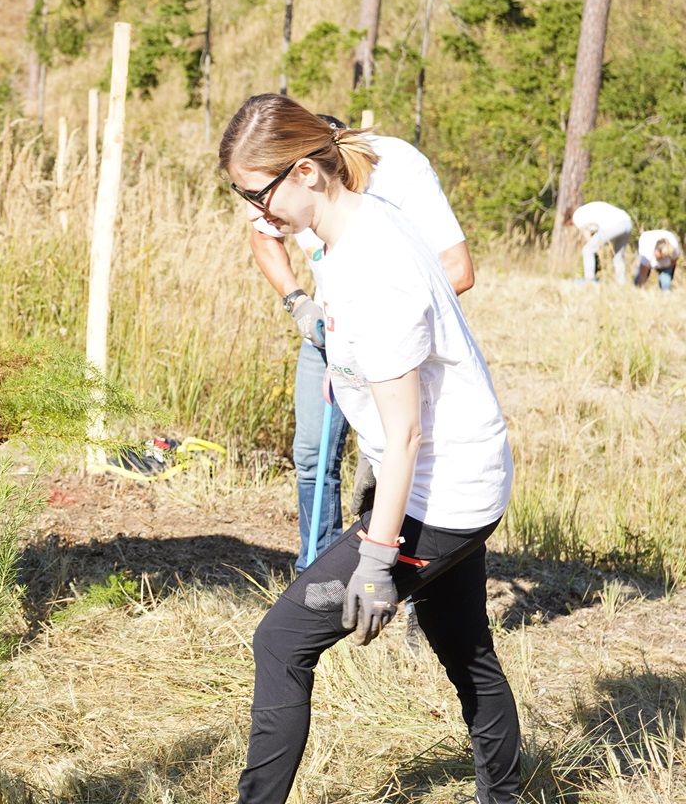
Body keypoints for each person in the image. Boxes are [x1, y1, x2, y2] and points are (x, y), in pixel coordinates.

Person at [220, 95, 519, 804]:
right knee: (466, 649)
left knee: (281, 642)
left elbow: (407, 431)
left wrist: (379, 559)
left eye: (259, 195)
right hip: (461, 476)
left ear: (306, 174)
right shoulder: (353, 228)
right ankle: (505, 797)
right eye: (240, 197)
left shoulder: (373, 266)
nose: (257, 216)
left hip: (440, 494)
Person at [246, 113, 472, 571]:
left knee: (402, 460)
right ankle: (320, 574)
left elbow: (459, 271)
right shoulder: (290, 189)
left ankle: (410, 591)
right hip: (328, 335)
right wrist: (299, 303)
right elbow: (260, 235)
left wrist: (378, 326)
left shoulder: (400, 171)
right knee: (312, 456)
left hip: (394, 343)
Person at [569, 200, 633, 284]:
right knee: (618, 256)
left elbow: (588, 238)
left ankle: (589, 282)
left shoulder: (576, 217)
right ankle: (621, 284)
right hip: (628, 222)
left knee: (587, 250)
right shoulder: (586, 209)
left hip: (614, 225)